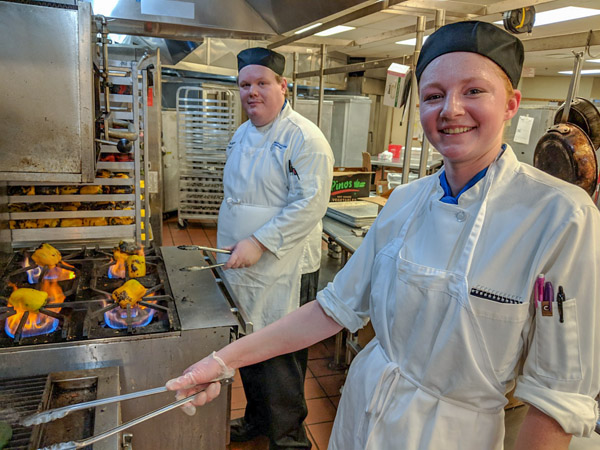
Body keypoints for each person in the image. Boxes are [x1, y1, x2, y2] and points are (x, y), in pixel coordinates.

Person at [167, 22, 600, 450]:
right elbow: (331, 309)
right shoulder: (406, 201)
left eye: (474, 91)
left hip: (450, 436)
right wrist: (219, 361)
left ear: (511, 104)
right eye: (433, 95)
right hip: (361, 414)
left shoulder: (560, 216)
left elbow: (556, 398)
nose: (450, 109)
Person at [212, 47, 334, 450]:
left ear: (283, 86)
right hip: (241, 260)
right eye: (245, 85)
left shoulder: (303, 137)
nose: (253, 92)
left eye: (262, 83)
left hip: (284, 263)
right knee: (250, 344)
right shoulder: (241, 133)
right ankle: (258, 420)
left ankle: (289, 439)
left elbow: (310, 204)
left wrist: (259, 241)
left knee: (281, 357)